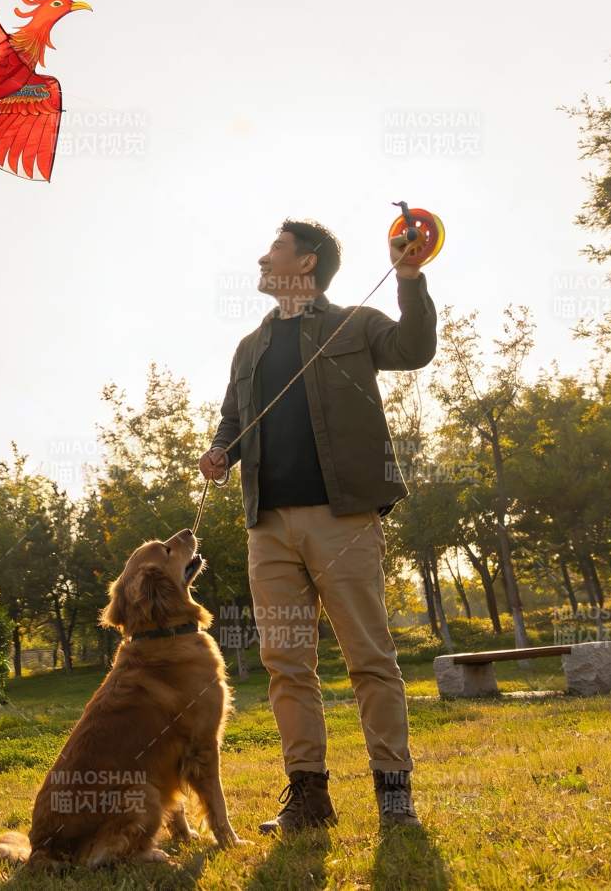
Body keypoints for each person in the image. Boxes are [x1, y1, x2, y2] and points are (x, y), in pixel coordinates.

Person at [198, 218, 437, 834]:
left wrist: (409, 276)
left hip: (343, 518)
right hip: (267, 526)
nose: (262, 257)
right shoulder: (249, 346)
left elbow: (414, 349)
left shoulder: (355, 324)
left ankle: (394, 794)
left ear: (306, 263)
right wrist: (221, 451)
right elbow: (232, 419)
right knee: (285, 664)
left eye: (275, 248)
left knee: (369, 658)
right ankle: (308, 797)